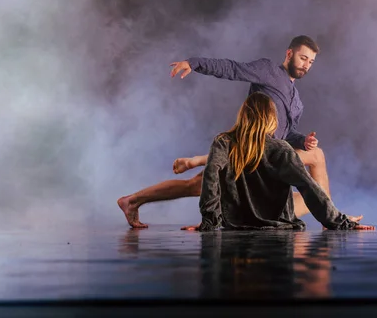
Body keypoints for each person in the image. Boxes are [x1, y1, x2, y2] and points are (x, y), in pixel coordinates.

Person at [118, 35, 350, 228]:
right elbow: (232, 69)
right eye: (303, 58)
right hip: (248, 150)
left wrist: (304, 140)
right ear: (289, 54)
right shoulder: (268, 70)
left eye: (310, 62)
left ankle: (135, 199)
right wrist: (194, 63)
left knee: (315, 154)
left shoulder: (297, 100)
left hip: (269, 158)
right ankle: (333, 217)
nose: (306, 65)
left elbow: (287, 134)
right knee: (196, 186)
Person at [182, 92, 374, 231]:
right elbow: (308, 186)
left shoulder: (223, 142)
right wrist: (341, 223)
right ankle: (339, 216)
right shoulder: (280, 148)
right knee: (314, 189)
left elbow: (210, 179)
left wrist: (209, 222)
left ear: (243, 115)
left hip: (235, 225)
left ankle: (338, 216)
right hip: (277, 227)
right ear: (271, 119)